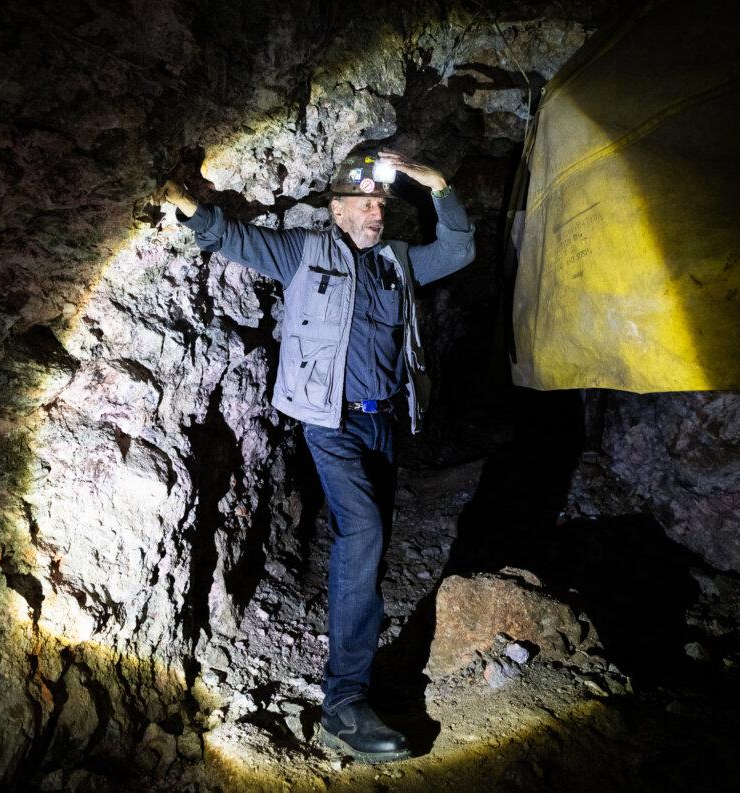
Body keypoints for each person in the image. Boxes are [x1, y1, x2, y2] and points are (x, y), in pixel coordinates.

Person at [152, 145, 475, 763]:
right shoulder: (305, 252)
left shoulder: (399, 263)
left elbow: (460, 250)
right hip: (329, 423)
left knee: (371, 549)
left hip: (384, 423)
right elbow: (236, 240)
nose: (375, 212)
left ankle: (356, 673)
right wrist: (187, 203)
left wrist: (437, 185)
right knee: (364, 532)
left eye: (380, 202)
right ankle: (343, 706)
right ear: (336, 209)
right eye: (362, 202)